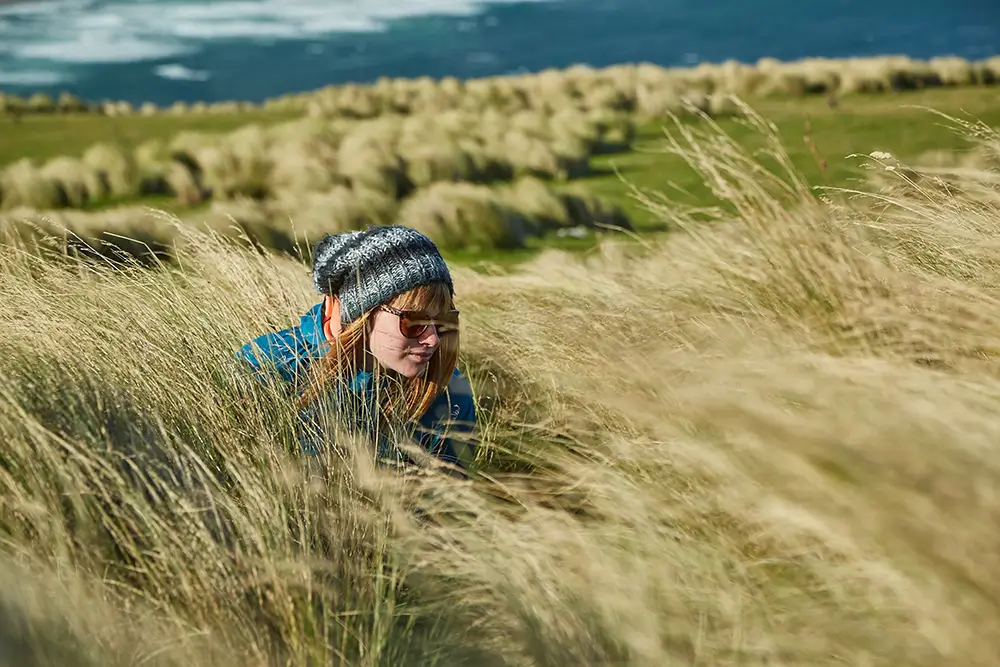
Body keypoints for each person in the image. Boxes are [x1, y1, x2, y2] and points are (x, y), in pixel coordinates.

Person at [236, 225, 478, 470]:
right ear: (362, 314)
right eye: (414, 322)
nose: (434, 340)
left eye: (444, 321)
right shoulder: (265, 364)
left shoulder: (450, 394)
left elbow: (447, 490)